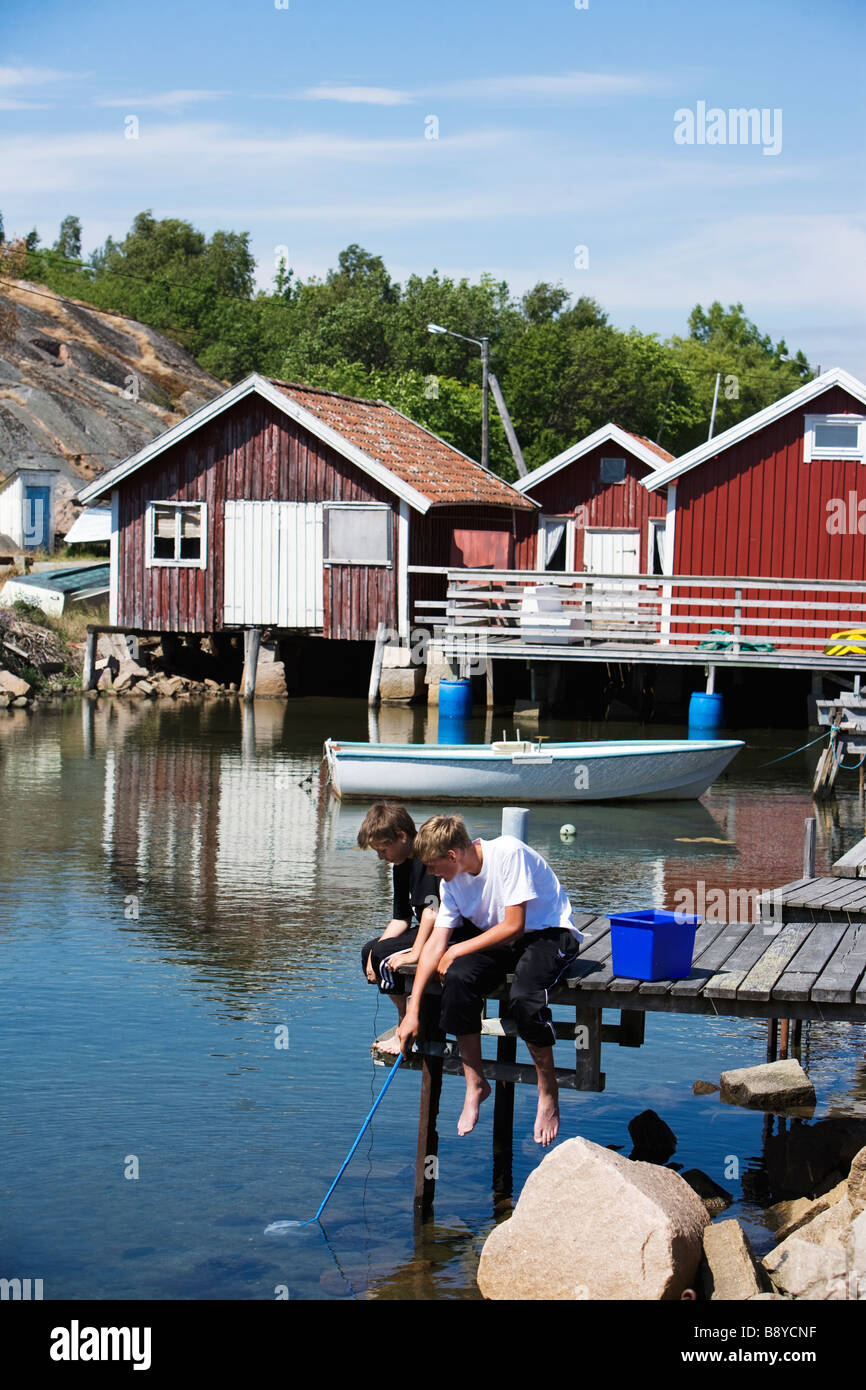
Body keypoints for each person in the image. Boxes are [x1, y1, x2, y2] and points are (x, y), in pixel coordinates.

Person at [396, 815, 583, 1146]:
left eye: (433, 865)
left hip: (548, 933)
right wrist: (412, 1011)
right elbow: (435, 946)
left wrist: (458, 950)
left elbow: (515, 924)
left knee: (525, 997)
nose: (430, 872)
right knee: (456, 979)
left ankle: (547, 1088)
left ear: (452, 855)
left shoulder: (509, 854)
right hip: (501, 938)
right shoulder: (450, 883)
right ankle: (476, 1084)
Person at [358, 802, 440, 1055]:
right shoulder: (401, 866)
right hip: (423, 927)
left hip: (445, 930)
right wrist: (373, 954)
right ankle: (405, 1019)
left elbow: (432, 910)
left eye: (383, 849)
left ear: (402, 837)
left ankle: (407, 1027)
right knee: (370, 951)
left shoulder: (425, 860)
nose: (381, 856)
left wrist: (415, 951)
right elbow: (401, 919)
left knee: (384, 955)